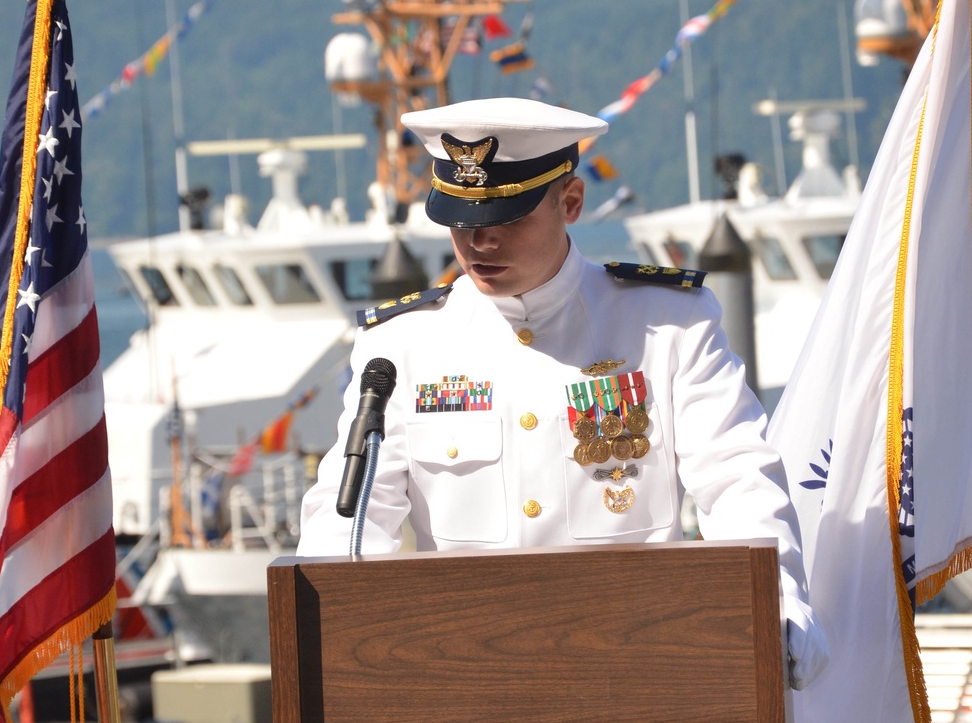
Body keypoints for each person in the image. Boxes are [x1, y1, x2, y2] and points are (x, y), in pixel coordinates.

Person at [298, 97, 828, 688]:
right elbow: (347, 516)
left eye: (507, 220)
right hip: (462, 678)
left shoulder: (667, 323)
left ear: (570, 202)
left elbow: (737, 477)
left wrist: (773, 595)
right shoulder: (401, 347)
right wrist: (326, 631)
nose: (480, 243)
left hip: (641, 670)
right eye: (462, 222)